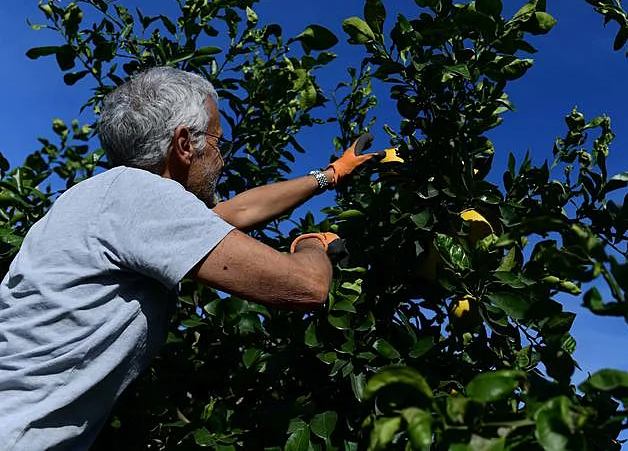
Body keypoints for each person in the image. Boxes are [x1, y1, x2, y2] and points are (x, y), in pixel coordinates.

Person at [0, 66, 383, 450]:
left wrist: (330, 175)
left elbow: (236, 213)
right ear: (184, 144)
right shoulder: (139, 196)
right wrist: (313, 243)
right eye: (219, 143)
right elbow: (305, 287)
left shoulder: (106, 198)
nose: (222, 159)